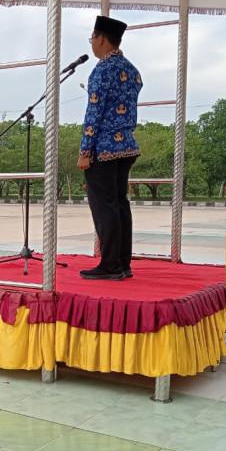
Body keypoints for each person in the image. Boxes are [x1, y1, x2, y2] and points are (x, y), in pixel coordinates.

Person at [77, 15, 143, 281]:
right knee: (119, 205)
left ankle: (110, 264)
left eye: (92, 38)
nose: (92, 43)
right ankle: (122, 263)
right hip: (126, 146)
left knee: (104, 207)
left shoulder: (102, 71)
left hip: (103, 148)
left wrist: (85, 150)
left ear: (101, 38)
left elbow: (94, 113)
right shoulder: (132, 70)